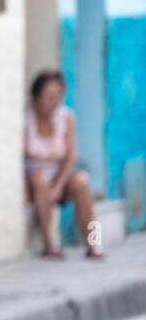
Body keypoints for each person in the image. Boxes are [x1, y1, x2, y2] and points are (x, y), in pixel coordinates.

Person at [25, 70, 106, 260]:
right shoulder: (25, 118)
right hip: (33, 176)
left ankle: (94, 244)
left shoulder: (66, 117)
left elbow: (71, 157)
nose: (54, 102)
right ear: (36, 97)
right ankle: (49, 244)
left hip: (59, 175)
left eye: (58, 97)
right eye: (49, 97)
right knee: (41, 180)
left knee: (81, 184)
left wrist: (59, 186)